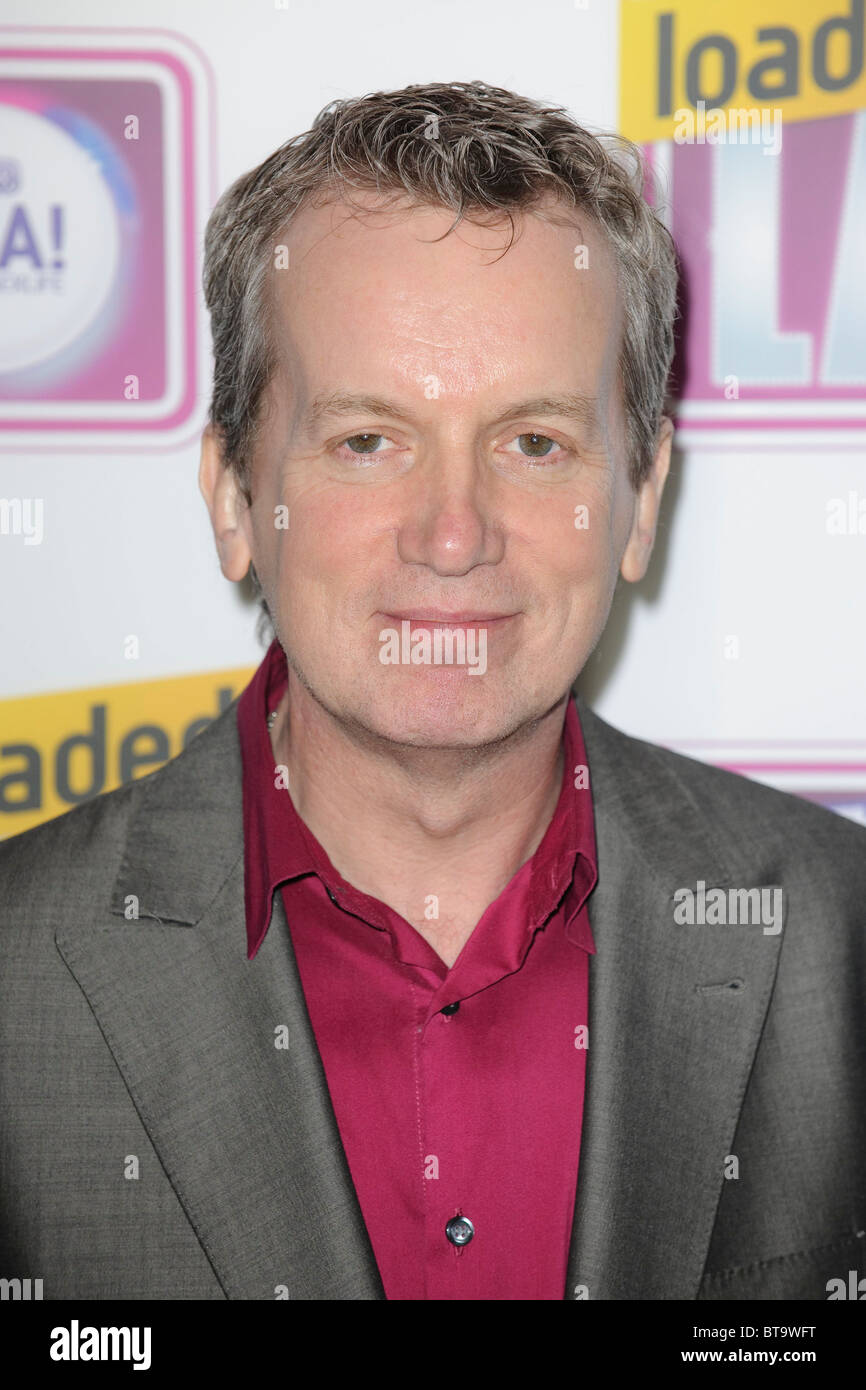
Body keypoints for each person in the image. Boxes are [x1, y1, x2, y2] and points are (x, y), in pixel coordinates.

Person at [1, 81, 863, 1302]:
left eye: (533, 442)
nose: (452, 536)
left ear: (642, 499)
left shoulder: (840, 938)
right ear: (235, 497)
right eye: (367, 440)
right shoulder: (14, 971)